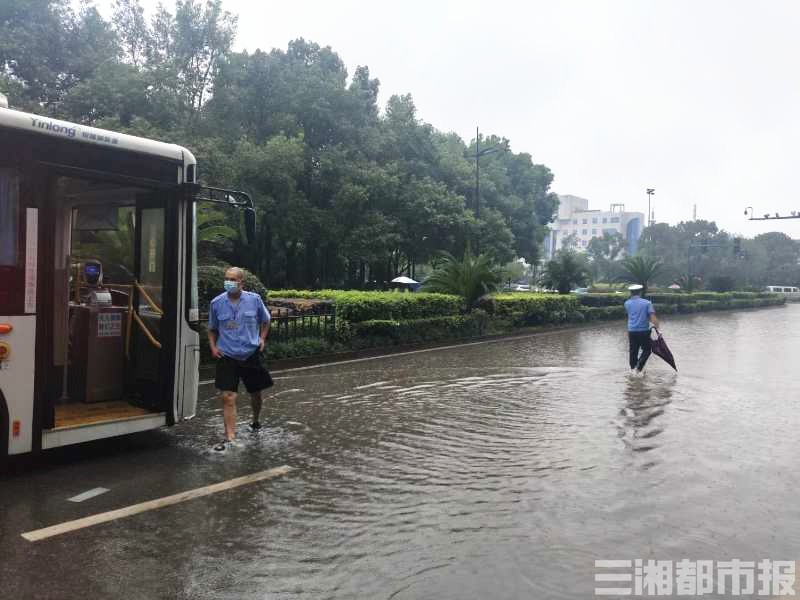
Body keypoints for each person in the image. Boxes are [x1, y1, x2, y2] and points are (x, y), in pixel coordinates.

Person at [207, 267, 272, 451]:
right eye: (227, 278)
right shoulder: (216, 303)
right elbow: (212, 328)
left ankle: (255, 421)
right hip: (227, 355)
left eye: (233, 279)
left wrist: (262, 338)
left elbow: (266, 320)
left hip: (250, 353)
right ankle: (230, 437)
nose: (229, 282)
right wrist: (213, 346)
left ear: (242, 282)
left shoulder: (254, 300)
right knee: (227, 397)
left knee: (256, 392)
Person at [624, 284, 659, 373]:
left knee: (633, 351)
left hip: (631, 331)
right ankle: (639, 368)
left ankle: (632, 370)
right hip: (643, 331)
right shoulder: (647, 303)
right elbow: (652, 317)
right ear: (640, 292)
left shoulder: (627, 303)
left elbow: (630, 316)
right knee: (647, 350)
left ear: (631, 292)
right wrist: (658, 328)